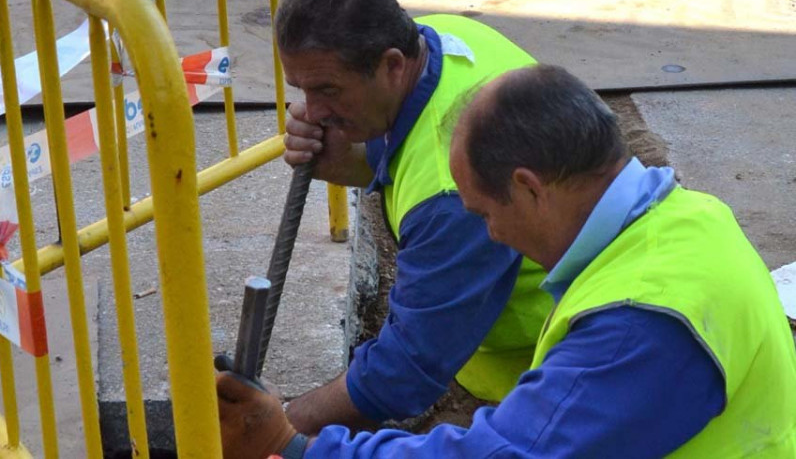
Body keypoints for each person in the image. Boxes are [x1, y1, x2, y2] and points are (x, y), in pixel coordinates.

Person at [216, 64, 796, 458]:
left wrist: (297, 445)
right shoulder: (684, 215)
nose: (491, 237)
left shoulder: (638, 325)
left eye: (486, 214)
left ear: (529, 188)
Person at [275, 0, 554, 435]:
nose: (311, 110)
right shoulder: (444, 37)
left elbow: (402, 376)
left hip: (541, 377)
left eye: (327, 89)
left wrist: (277, 429)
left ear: (391, 65)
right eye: (301, 89)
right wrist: (352, 161)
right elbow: (410, 148)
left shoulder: (452, 196)